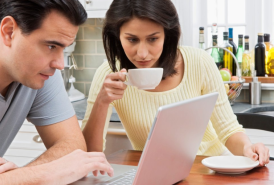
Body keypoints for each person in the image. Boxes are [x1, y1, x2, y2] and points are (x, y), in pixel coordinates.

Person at [82, 0, 270, 167]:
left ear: (167, 34)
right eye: (132, 39)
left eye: (153, 39)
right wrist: (102, 102)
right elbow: (89, 154)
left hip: (210, 169)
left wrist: (248, 147)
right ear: (117, 36)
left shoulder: (199, 62)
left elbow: (228, 130)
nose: (142, 53)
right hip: (154, 173)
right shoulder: (108, 74)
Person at [0, 0, 113, 184]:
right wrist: (43, 174)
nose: (59, 64)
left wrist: (18, 178)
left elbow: (73, 146)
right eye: (51, 46)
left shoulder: (40, 75)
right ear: (9, 32)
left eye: (63, 49)